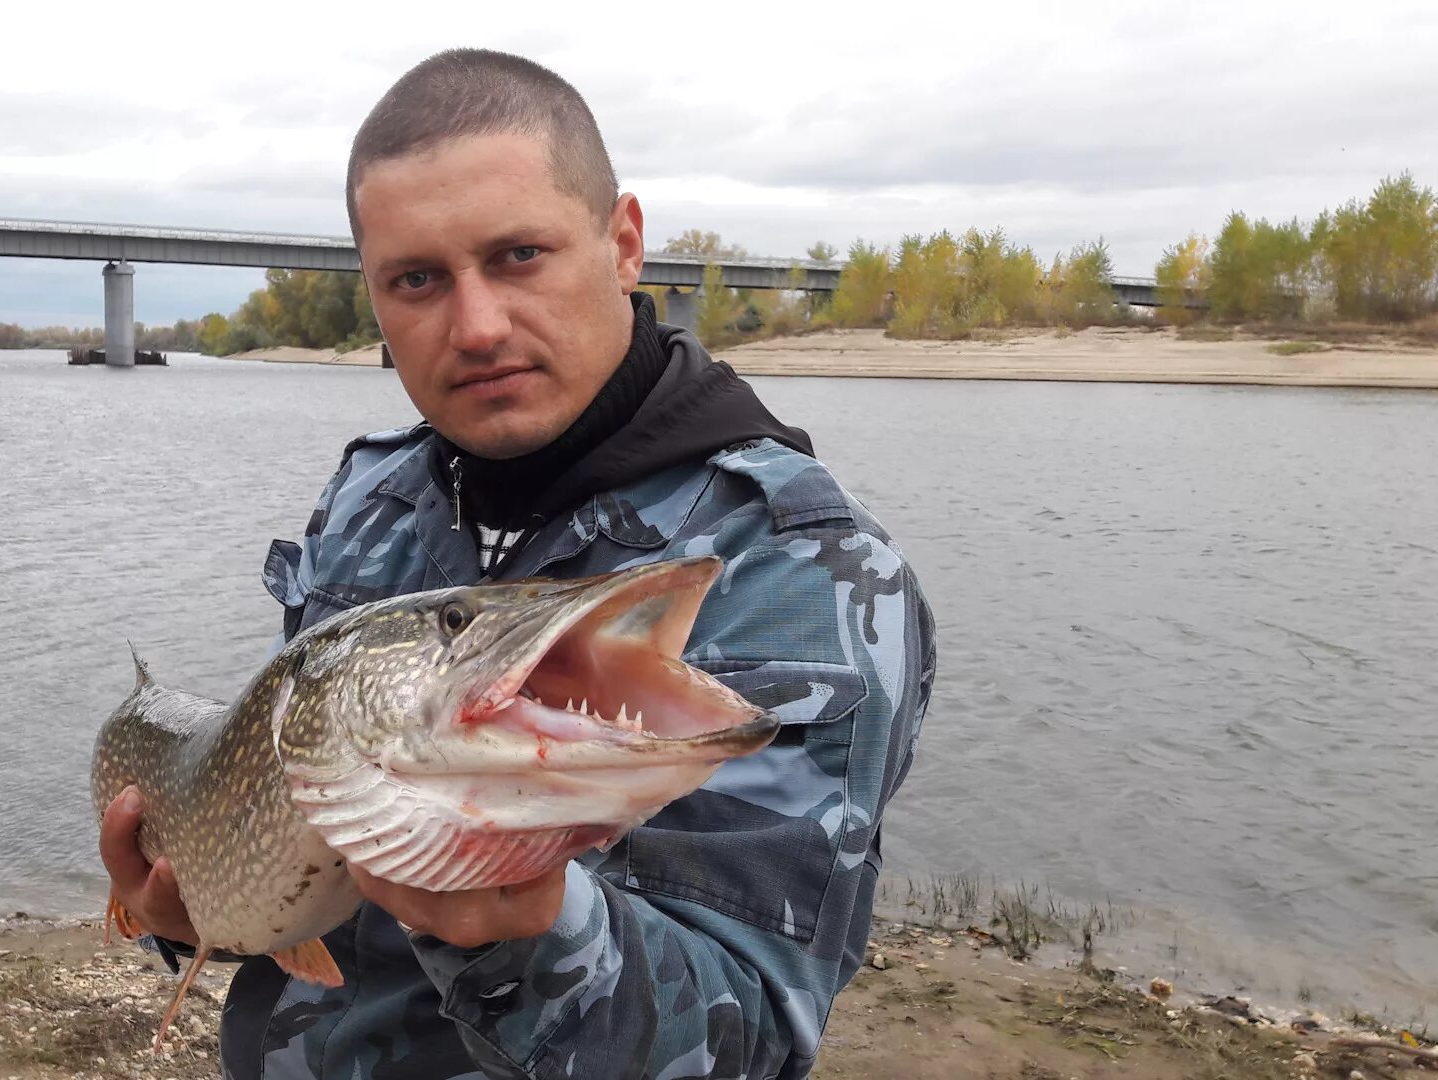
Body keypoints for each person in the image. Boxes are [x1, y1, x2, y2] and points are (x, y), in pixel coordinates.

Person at [100, 47, 936, 1080]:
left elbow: (748, 1039)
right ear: (373, 298)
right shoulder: (373, 496)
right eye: (417, 280)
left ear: (624, 245)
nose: (478, 325)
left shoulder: (803, 571)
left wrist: (522, 933)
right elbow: (295, 841)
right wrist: (193, 913)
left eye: (519, 256)